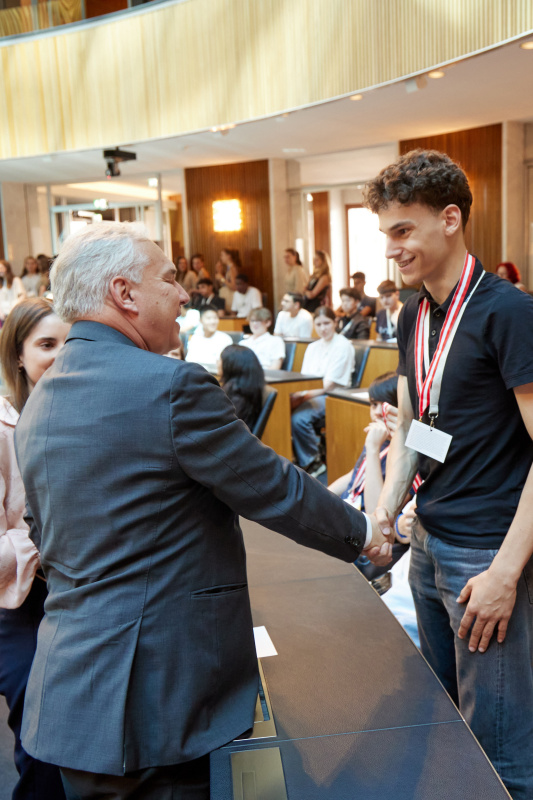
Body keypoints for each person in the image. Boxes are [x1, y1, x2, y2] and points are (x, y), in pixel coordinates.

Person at [14, 222, 391, 800]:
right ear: (125, 293)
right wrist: (367, 533)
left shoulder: (41, 399)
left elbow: (45, 533)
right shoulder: (170, 385)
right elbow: (272, 486)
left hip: (72, 691)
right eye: (169, 279)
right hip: (157, 699)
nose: (185, 293)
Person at [364, 148, 533, 800]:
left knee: (500, 748)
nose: (391, 250)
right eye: (386, 234)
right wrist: (385, 511)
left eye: (402, 231)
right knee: (445, 722)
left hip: (485, 552)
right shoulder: (414, 314)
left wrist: (504, 572)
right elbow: (414, 425)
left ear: (451, 219)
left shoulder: (506, 312)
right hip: (429, 544)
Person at [0, 298, 70, 800]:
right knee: (42, 746)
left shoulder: (83, 416)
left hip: (81, 602)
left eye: (71, 343)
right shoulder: (4, 430)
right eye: (47, 345)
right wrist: (52, 537)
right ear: (18, 357)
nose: (62, 355)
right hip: (22, 607)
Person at [291, 306, 355, 477]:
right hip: (312, 393)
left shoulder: (343, 345)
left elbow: (329, 385)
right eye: (318, 324)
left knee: (299, 418)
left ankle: (313, 462)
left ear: (335, 322)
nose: (322, 328)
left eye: (326, 323)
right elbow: (304, 379)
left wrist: (302, 397)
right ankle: (296, 457)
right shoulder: (312, 347)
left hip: (335, 396)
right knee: (281, 409)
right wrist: (298, 395)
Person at [219, 344, 265, 431]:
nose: (217, 362)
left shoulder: (237, 397)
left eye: (220, 360)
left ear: (230, 365)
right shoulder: (241, 390)